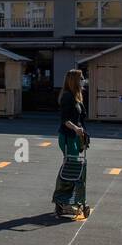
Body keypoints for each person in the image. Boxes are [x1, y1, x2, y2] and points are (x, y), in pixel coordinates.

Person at [52, 69, 89, 217]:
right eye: (81, 78)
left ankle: (65, 200)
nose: (83, 80)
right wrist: (76, 129)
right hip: (68, 136)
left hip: (74, 137)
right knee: (71, 168)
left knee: (73, 167)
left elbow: (79, 119)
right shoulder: (67, 97)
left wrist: (82, 136)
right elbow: (65, 120)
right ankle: (64, 202)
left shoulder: (76, 96)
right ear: (74, 80)